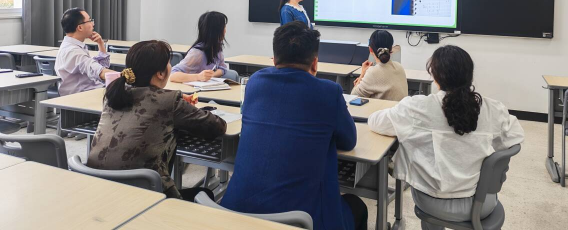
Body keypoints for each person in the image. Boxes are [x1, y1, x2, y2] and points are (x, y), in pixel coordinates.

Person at [221, 22, 368, 230]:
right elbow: (349, 141)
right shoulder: (329, 92)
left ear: (274, 59)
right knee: (357, 205)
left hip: (236, 215)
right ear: (315, 63)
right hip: (301, 221)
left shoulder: (254, 83)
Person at [368, 45, 524, 230]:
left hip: (434, 203)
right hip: (483, 203)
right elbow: (515, 137)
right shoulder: (493, 109)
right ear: (469, 75)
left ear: (435, 77)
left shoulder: (418, 107)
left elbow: (376, 122)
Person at [87, 40, 227, 201]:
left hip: (100, 189)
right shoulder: (168, 101)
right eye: (168, 63)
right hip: (147, 195)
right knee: (205, 194)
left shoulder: (113, 96)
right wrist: (183, 106)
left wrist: (176, 100)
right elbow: (217, 127)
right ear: (160, 73)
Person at [55, 7, 117, 96]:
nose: (93, 24)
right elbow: (99, 72)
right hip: (84, 95)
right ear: (80, 27)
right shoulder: (73, 51)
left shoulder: (72, 45)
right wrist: (127, 77)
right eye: (90, 21)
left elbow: (102, 66)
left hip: (88, 91)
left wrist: (100, 43)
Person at [170, 11, 238, 83]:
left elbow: (222, 68)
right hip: (193, 89)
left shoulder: (217, 48)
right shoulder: (198, 53)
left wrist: (212, 75)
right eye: (224, 27)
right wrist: (198, 77)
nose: (225, 31)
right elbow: (173, 75)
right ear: (215, 31)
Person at [351, 30, 408, 101]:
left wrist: (362, 74)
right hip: (400, 108)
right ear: (391, 48)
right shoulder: (399, 66)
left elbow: (353, 96)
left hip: (385, 108)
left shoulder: (373, 72)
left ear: (370, 49)